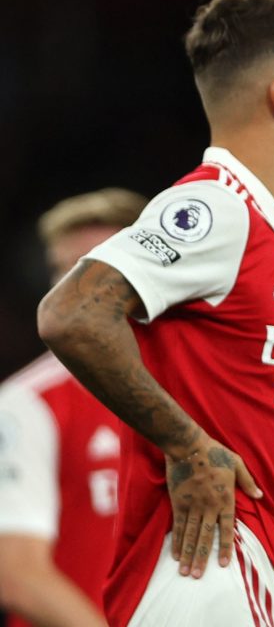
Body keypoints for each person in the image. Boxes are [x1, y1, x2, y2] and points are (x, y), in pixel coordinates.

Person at [37, 0, 274, 626]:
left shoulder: (261, 235)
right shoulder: (216, 208)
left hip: (241, 575)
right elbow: (71, 312)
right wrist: (187, 445)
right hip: (210, 574)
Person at [0, 188, 146, 627]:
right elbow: (18, 574)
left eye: (97, 269)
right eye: (63, 270)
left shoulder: (197, 391)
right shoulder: (27, 404)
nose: (73, 290)